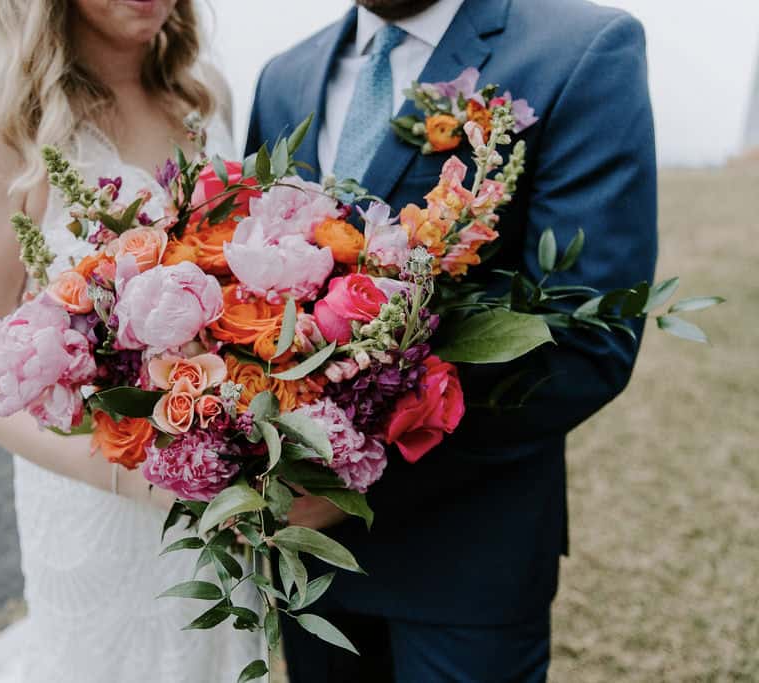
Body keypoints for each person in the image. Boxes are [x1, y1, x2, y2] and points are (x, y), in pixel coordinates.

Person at [246, 0, 658, 680]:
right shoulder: (284, 78)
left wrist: (347, 483)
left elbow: (590, 339)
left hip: (466, 558)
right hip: (309, 569)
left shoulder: (582, 50)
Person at [0, 1, 260, 680]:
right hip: (94, 506)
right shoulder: (2, 126)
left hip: (221, 499)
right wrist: (128, 477)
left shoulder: (203, 99)